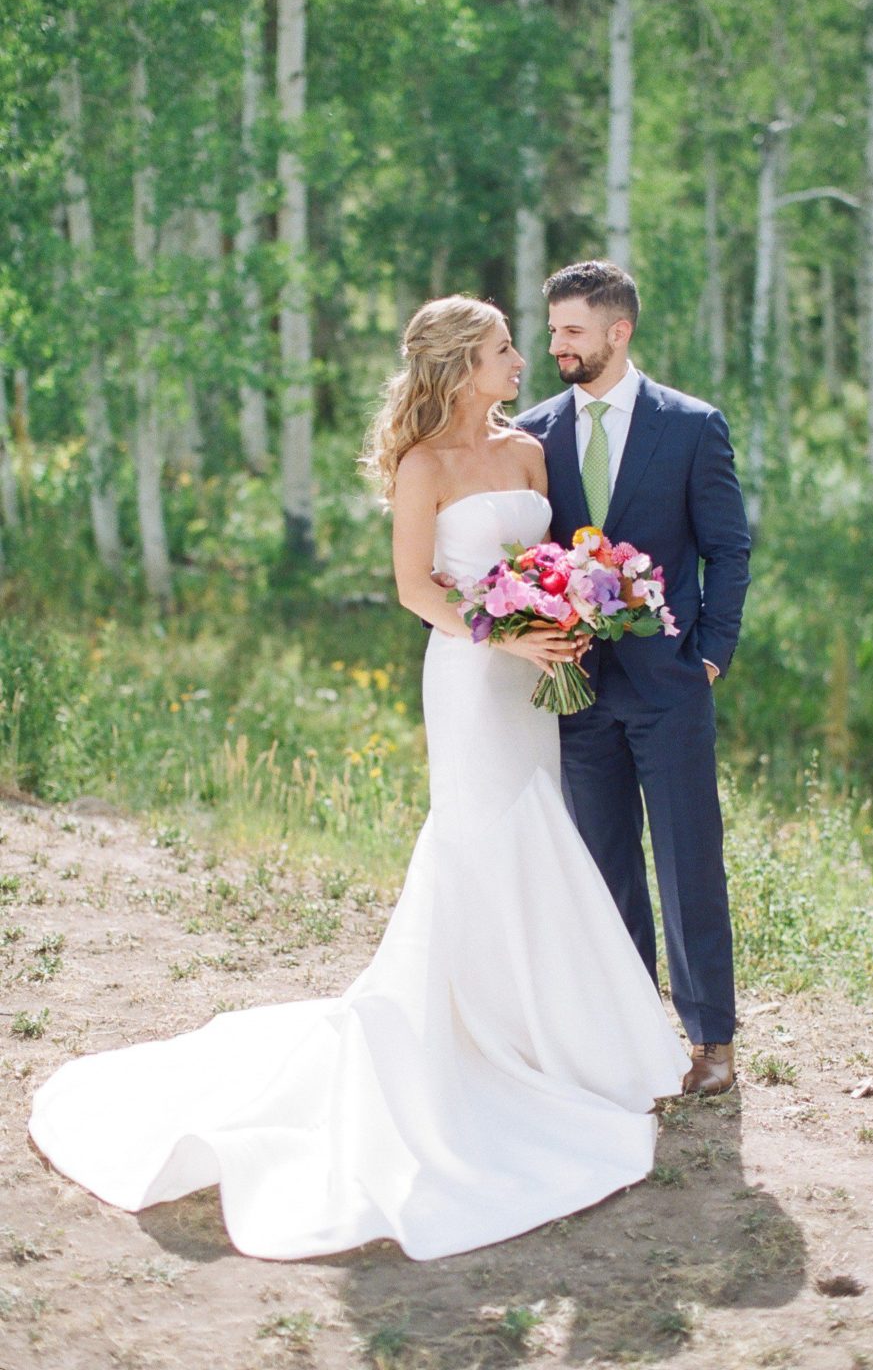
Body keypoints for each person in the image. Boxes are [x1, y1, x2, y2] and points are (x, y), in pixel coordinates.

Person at [28, 295, 688, 1263]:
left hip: (537, 676)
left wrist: (568, 613)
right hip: (471, 677)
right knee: (476, 836)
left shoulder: (526, 454)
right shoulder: (423, 466)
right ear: (463, 363)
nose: (520, 361)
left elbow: (545, 558)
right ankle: (458, 1040)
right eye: (506, 348)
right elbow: (416, 586)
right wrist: (507, 631)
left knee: (536, 829)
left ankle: (551, 1037)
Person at [516, 262, 751, 1096]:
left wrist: (711, 652)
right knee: (603, 865)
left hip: (670, 682)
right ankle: (624, 1037)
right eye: (551, 332)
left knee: (689, 859)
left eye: (571, 332)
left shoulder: (690, 427)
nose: (556, 347)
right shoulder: (532, 433)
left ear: (618, 332)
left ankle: (711, 1040)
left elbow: (727, 548)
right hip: (576, 692)